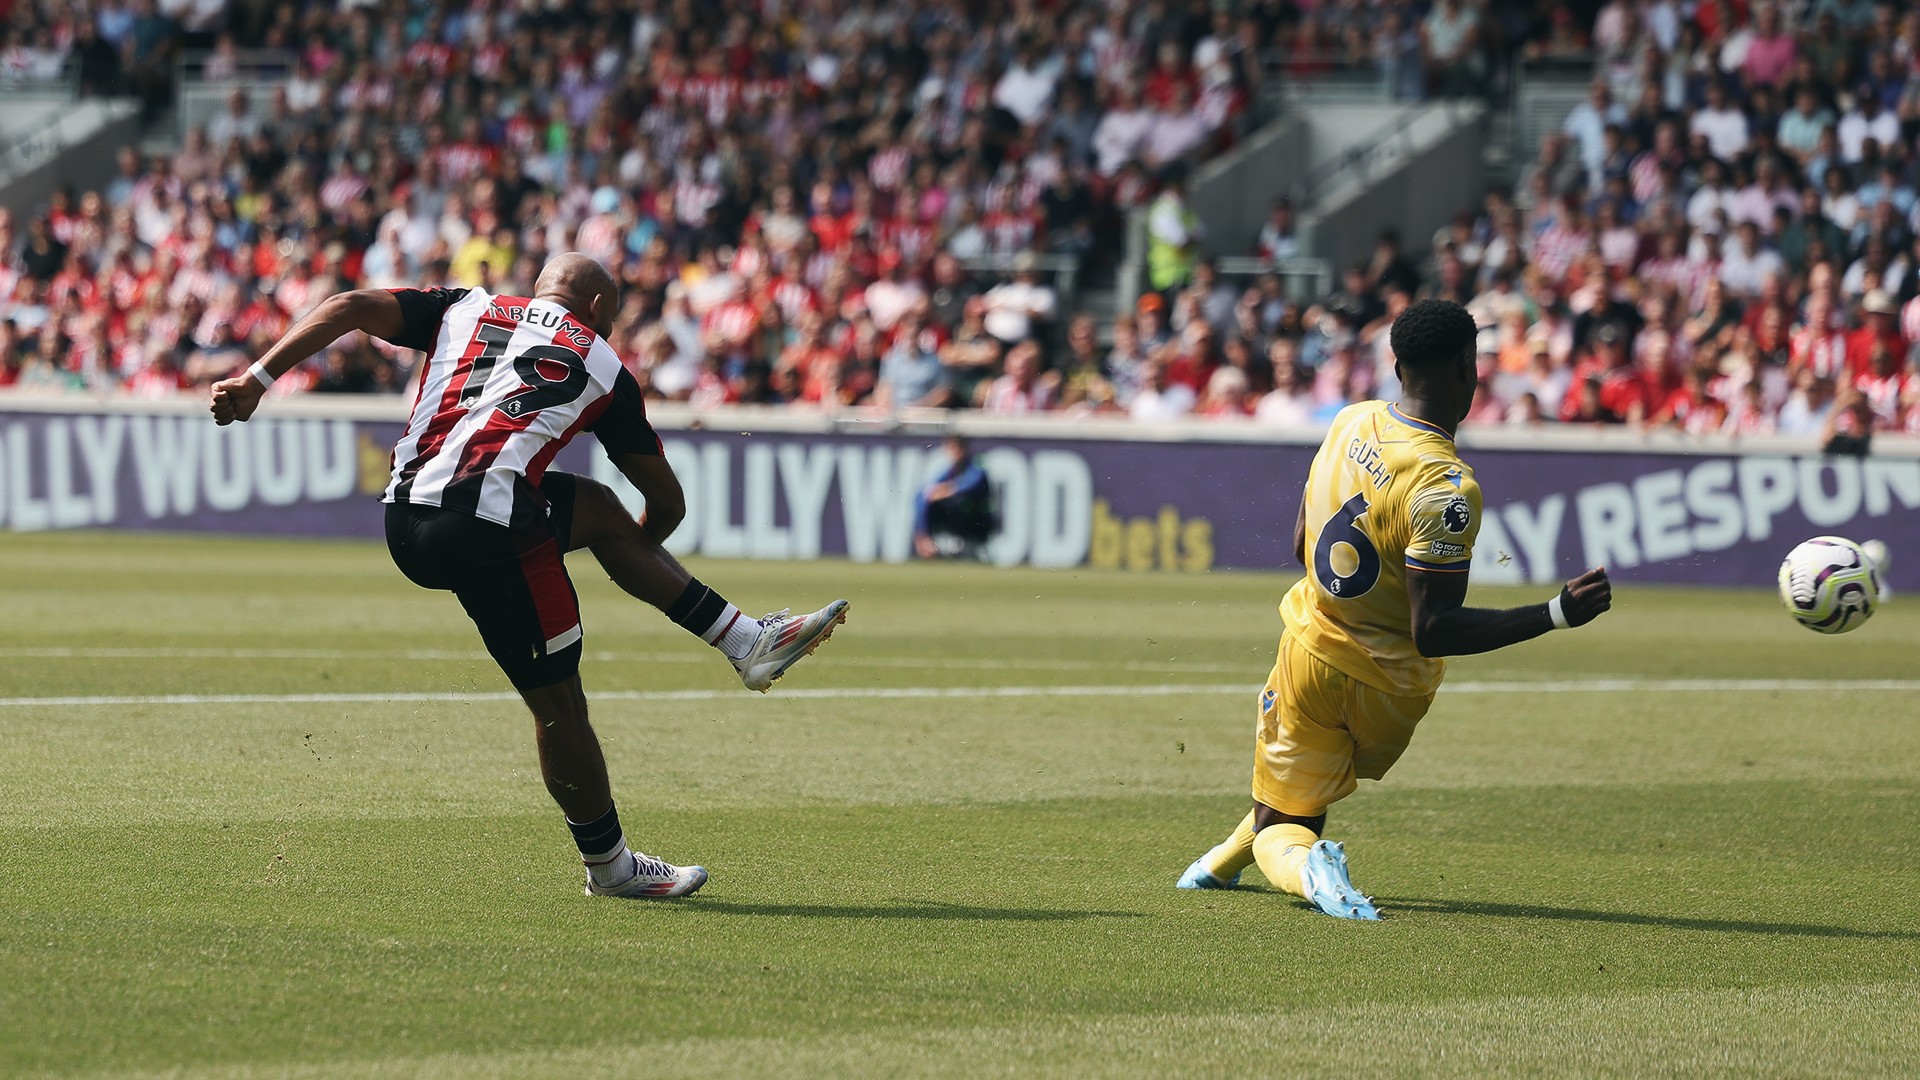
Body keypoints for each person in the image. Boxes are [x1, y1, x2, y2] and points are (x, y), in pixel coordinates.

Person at [208, 253, 850, 901]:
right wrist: (636, 559)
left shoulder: (467, 306)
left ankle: (744, 641)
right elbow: (669, 502)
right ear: (598, 311)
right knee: (561, 710)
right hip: (488, 528)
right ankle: (611, 866)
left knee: (593, 508)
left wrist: (258, 379)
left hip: (404, 518)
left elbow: (348, 305)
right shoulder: (601, 361)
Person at [1175, 299, 1613, 919]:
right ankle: (1216, 867)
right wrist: (1558, 611)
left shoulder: (1350, 421)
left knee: (1288, 825)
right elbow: (1430, 629)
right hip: (1391, 687)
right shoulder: (1446, 486)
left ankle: (1306, 869)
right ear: (1470, 368)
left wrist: (1553, 613)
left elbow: (1302, 540)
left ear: (1396, 362)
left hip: (1312, 651)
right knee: (1289, 803)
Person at [913, 435, 995, 560]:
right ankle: (925, 540)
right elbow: (930, 491)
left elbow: (967, 486)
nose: (954, 452)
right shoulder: (950, 470)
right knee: (922, 497)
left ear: (964, 449)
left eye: (957, 448)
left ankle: (961, 545)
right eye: (950, 448)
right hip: (956, 519)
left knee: (957, 502)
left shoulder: (976, 467)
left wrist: (945, 490)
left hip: (977, 519)